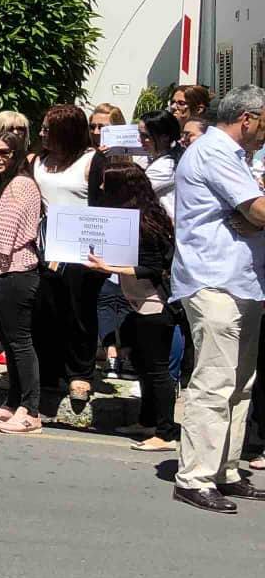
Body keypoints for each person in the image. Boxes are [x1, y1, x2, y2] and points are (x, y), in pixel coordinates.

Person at [166, 85, 265, 513]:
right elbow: (256, 209)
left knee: (239, 384)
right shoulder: (216, 152)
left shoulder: (235, 155)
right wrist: (254, 217)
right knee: (215, 381)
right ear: (248, 118)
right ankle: (195, 477)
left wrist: (254, 218)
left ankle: (225, 468)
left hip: (241, 281)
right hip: (215, 280)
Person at [85, 159, 180, 453]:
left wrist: (109, 268)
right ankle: (147, 421)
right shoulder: (132, 219)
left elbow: (152, 268)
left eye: (107, 183)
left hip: (154, 304)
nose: (101, 187)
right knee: (142, 365)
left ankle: (165, 432)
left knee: (157, 370)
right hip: (137, 303)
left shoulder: (145, 224)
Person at [33, 104, 106, 411]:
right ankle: (48, 371)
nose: (41, 133)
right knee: (45, 307)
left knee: (79, 309)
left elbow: (103, 205)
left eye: (47, 129)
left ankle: (80, 373)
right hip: (46, 244)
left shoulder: (92, 161)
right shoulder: (38, 160)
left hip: (82, 247)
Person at [0, 132, 45, 433]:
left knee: (20, 342)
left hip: (17, 271)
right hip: (0, 271)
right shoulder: (3, 185)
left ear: (17, 155)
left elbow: (8, 231)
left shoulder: (20, 184)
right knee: (10, 342)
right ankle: (14, 402)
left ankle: (31, 410)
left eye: (4, 152)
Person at [139, 111, 183, 214]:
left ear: (164, 137)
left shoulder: (165, 167)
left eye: (145, 136)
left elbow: (135, 193)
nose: (139, 139)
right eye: (139, 134)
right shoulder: (163, 159)